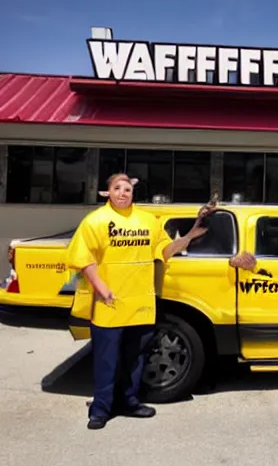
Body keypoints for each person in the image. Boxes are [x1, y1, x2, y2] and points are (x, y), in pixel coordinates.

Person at [66, 173, 215, 430]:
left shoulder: (148, 221)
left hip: (141, 302)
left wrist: (190, 234)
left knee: (135, 358)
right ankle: (101, 409)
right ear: (107, 193)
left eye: (127, 189)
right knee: (106, 359)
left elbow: (165, 251)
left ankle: (129, 402)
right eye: (117, 188)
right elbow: (82, 257)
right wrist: (101, 287)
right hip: (109, 303)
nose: (123, 193)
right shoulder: (95, 221)